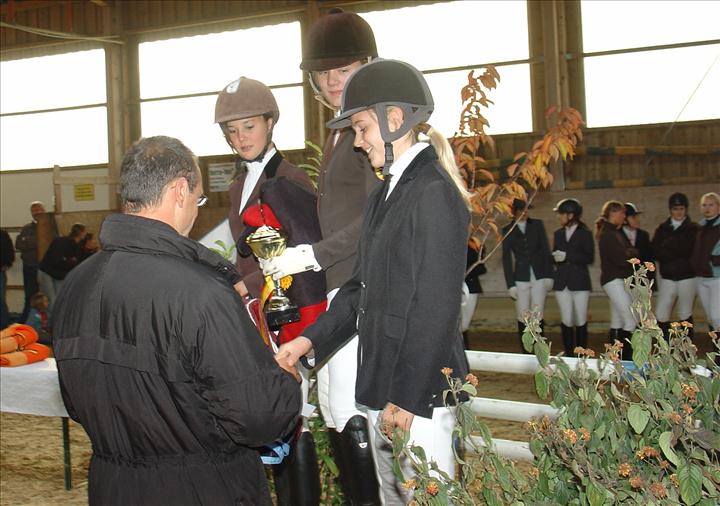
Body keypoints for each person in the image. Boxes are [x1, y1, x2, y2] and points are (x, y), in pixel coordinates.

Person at [52, 136, 302, 506]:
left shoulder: (74, 286)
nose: (197, 211)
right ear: (180, 190)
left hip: (113, 486)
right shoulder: (201, 293)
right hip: (204, 488)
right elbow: (258, 418)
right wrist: (283, 383)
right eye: (199, 199)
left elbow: (75, 404)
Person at [270, 59, 471, 505]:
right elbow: (360, 289)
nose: (358, 143)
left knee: (429, 497)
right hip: (383, 381)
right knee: (392, 497)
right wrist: (307, 342)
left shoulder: (433, 191)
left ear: (394, 119)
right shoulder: (385, 192)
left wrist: (407, 396)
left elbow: (435, 307)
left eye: (361, 129)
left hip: (418, 391)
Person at [262, 8, 382, 504]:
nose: (332, 81)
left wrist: (313, 255)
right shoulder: (340, 128)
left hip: (362, 285)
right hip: (336, 285)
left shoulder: (373, 126)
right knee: (333, 408)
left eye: (344, 70)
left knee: (351, 407)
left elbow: (376, 214)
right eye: (324, 72)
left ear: (367, 65)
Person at [215, 76, 324, 505]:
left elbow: (301, 248)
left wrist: (247, 285)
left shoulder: (291, 178)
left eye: (249, 127)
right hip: (258, 313)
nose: (240, 138)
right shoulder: (236, 185)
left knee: (294, 416)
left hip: (290, 310)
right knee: (273, 415)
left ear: (270, 123)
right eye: (232, 131)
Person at [501, 198, 554, 350]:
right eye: (520, 211)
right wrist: (510, 284)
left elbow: (545, 250)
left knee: (537, 312)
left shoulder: (537, 225)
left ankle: (539, 347)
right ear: (514, 213)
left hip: (539, 275)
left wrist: (549, 275)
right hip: (521, 276)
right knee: (523, 313)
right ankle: (526, 348)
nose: (524, 214)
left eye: (525, 211)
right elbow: (506, 258)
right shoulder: (508, 230)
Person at [651, 192, 698, 339]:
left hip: (687, 276)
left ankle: (686, 347)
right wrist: (675, 248)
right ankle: (665, 346)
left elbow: (688, 249)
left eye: (681, 209)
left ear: (686, 210)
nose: (678, 212)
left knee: (685, 313)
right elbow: (655, 250)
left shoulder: (693, 228)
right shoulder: (662, 228)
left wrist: (668, 245)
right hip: (668, 276)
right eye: (675, 209)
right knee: (661, 313)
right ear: (670, 210)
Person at [596, 200, 639, 360]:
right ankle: (627, 359)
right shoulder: (609, 234)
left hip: (617, 279)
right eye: (622, 213)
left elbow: (630, 252)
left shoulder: (614, 232)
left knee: (617, 321)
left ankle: (615, 358)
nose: (624, 216)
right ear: (612, 213)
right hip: (614, 280)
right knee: (630, 321)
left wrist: (630, 253)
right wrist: (631, 254)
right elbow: (622, 258)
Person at [551, 198, 594, 356]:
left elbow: (589, 257)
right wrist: (555, 257)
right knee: (566, 318)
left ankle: (581, 353)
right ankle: (569, 353)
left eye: (561, 214)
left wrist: (567, 256)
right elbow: (556, 253)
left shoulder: (585, 234)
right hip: (562, 281)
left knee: (580, 318)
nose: (559, 217)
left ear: (571, 215)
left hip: (579, 281)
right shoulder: (558, 233)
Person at [37, 223, 88, 311]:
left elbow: (75, 260)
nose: (85, 234)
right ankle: (51, 318)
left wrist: (70, 262)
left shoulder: (77, 245)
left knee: (60, 298)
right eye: (84, 232)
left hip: (59, 274)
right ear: (80, 233)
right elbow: (56, 260)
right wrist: (71, 263)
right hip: (47, 272)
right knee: (51, 299)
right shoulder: (61, 242)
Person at [690, 192, 720, 334]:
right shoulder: (699, 227)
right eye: (704, 205)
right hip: (701, 276)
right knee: (710, 317)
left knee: (716, 316)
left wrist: (715, 259)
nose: (707, 208)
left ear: (718, 207)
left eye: (711, 205)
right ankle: (715, 346)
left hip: (717, 276)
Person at [14, 201, 45, 322]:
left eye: (38, 209)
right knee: (29, 295)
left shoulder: (50, 226)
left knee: (46, 295)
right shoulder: (26, 228)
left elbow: (47, 243)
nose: (36, 212)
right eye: (33, 210)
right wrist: (36, 241)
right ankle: (27, 320)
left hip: (45, 267)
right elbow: (18, 244)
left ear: (44, 210)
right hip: (29, 266)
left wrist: (28, 240)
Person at [461, 238, 486, 349]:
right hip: (455, 287)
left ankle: (464, 348)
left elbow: (481, 267)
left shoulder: (475, 244)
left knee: (465, 323)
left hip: (471, 286)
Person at [623, 202, 654, 287]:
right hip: (624, 280)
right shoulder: (618, 235)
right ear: (624, 219)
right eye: (633, 217)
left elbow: (649, 259)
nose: (637, 220)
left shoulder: (643, 235)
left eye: (637, 217)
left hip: (641, 281)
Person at [1, 229, 15, 329]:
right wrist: (7, 263)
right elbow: (10, 252)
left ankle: (3, 324)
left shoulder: (3, 235)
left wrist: (7, 263)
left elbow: (9, 252)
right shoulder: (3, 235)